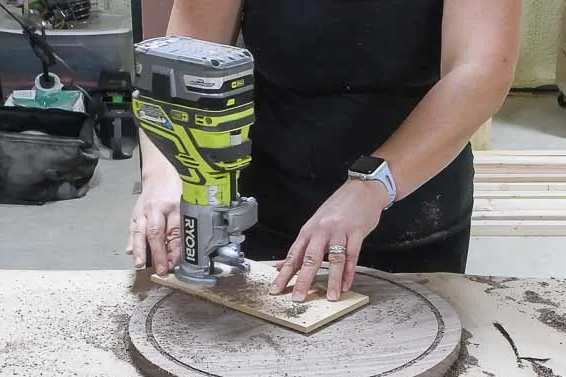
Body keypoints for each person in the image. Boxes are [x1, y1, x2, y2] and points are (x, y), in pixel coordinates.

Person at [126, 0, 522, 301]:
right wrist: (165, 173)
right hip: (269, 202)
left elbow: (481, 72)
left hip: (414, 200)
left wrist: (374, 183)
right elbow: (181, 64)